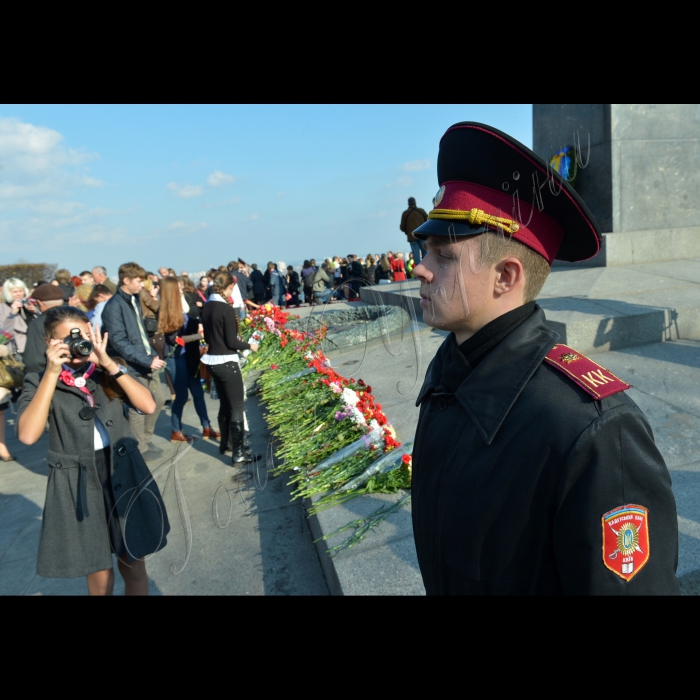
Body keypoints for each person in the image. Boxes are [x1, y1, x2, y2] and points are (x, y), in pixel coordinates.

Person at [410, 121, 679, 595]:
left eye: (443, 256)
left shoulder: (591, 431)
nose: (420, 268)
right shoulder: (450, 372)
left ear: (504, 277)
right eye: (424, 250)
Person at [16, 306, 169, 595]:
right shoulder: (38, 381)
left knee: (134, 563)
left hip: (123, 471)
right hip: (78, 481)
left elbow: (148, 406)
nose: (80, 344)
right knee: (99, 573)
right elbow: (27, 434)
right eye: (70, 338)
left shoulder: (107, 370)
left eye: (86, 335)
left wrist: (109, 363)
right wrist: (51, 372)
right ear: (50, 342)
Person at [100, 262, 166, 462]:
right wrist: (147, 360)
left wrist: (151, 354)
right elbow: (118, 341)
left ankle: (145, 439)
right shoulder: (113, 306)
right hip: (134, 365)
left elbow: (139, 333)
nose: (142, 285)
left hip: (145, 359)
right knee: (138, 407)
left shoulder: (133, 300)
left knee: (160, 400)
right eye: (138, 281)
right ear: (126, 280)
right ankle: (140, 446)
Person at [200, 272, 259, 464]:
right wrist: (250, 346)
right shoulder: (225, 309)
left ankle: (225, 442)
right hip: (226, 362)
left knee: (225, 404)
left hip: (213, 361)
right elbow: (231, 342)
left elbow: (211, 337)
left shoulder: (207, 306)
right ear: (230, 287)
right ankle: (239, 452)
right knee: (237, 407)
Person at [158, 277, 218, 443]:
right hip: (176, 358)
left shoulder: (180, 305)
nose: (181, 290)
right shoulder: (167, 310)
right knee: (182, 396)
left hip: (188, 355)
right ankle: (175, 430)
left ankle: (207, 427)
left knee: (198, 392)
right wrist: (199, 335)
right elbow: (174, 339)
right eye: (177, 288)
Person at [20, 284, 65, 374]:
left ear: (40, 303)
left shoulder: (37, 323)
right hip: (82, 374)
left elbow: (33, 361)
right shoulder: (77, 318)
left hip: (49, 375)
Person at [0, 277, 36, 355]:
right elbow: (2, 337)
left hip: (34, 348)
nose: (19, 294)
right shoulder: (2, 309)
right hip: (17, 351)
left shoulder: (27, 306)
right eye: (14, 292)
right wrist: (12, 314)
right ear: (7, 293)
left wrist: (36, 312)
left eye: (21, 291)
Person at [400, 197, 429, 264]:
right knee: (425, 252)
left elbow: (402, 227)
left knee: (416, 255)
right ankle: (426, 267)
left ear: (408, 204)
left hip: (412, 236)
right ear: (415, 202)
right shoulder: (421, 211)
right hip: (422, 235)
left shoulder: (405, 213)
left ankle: (419, 269)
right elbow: (428, 221)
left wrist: (407, 230)